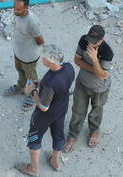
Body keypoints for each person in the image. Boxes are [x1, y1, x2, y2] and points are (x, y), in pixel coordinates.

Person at [14, 44, 74, 176]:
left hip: (45, 116)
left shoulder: (50, 83)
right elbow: (61, 83)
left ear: (51, 62)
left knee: (34, 139)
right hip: (61, 109)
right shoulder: (69, 68)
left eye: (44, 58)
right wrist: (40, 82)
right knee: (58, 136)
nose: (42, 60)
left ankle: (33, 169)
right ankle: (55, 162)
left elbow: (43, 106)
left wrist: (33, 91)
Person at [64, 25, 113, 152]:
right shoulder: (84, 40)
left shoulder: (107, 52)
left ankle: (94, 131)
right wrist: (95, 70)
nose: (90, 43)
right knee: (77, 111)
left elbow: (102, 76)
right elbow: (77, 60)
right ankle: (73, 134)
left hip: (100, 89)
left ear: (102, 40)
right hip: (82, 83)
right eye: (90, 39)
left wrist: (94, 60)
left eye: (94, 41)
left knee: (96, 111)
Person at [5, 0, 45, 111]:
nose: (15, 11)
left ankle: (33, 96)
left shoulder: (33, 22)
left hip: (29, 57)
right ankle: (20, 86)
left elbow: (41, 41)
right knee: (20, 71)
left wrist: (34, 52)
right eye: (14, 8)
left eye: (18, 9)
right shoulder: (18, 14)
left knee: (31, 77)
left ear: (26, 8)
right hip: (18, 53)